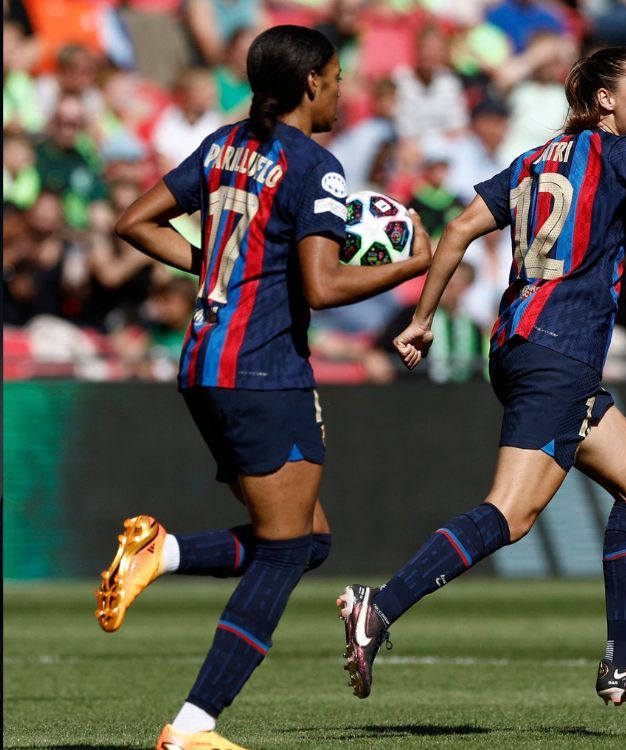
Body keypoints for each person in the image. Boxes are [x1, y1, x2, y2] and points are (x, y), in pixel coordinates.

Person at [336, 35, 626, 708]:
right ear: (605, 101)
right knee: (511, 513)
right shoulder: (619, 154)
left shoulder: (533, 160)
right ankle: (377, 607)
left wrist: (423, 317)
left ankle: (623, 661)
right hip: (556, 350)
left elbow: (464, 227)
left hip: (531, 346)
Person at [97, 25, 431, 750]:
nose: (343, 88)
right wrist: (412, 270)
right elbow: (323, 282)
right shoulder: (315, 164)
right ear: (311, 82)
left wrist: (216, 267)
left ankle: (165, 553)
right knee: (285, 551)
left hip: (204, 361)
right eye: (339, 76)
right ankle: (193, 727)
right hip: (262, 370)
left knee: (309, 540)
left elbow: (134, 221)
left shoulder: (227, 144)